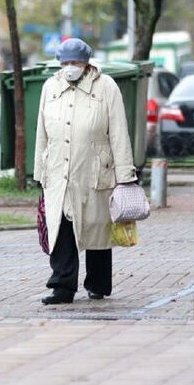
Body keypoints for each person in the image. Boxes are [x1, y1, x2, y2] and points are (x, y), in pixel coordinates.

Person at [33, 38, 137, 305]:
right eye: (65, 63)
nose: (70, 68)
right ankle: (62, 287)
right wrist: (39, 171)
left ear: (86, 64)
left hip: (94, 168)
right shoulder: (50, 86)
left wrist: (125, 175)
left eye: (75, 63)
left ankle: (98, 284)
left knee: (97, 229)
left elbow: (118, 131)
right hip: (58, 169)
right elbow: (41, 133)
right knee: (61, 228)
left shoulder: (106, 87)